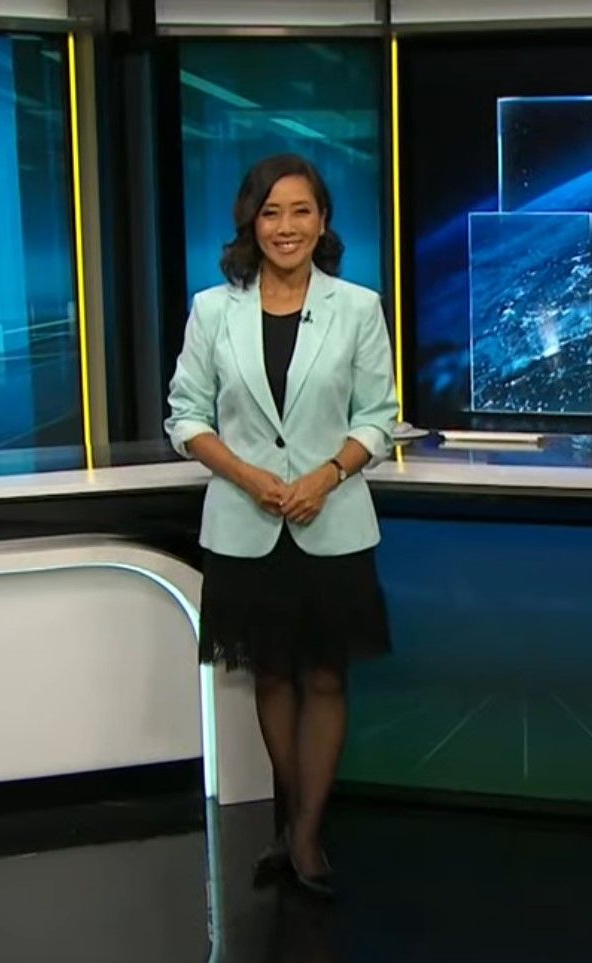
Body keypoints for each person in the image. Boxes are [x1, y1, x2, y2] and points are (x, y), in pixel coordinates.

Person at [165, 154, 398, 898]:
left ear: (323, 222)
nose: (286, 226)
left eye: (301, 211)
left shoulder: (357, 307)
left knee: (325, 676)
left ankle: (303, 836)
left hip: (332, 523)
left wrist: (326, 475)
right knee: (271, 673)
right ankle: (295, 824)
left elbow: (379, 418)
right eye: (272, 212)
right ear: (251, 222)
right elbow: (185, 416)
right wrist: (249, 477)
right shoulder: (213, 310)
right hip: (246, 522)